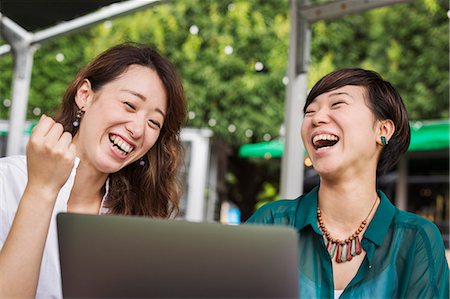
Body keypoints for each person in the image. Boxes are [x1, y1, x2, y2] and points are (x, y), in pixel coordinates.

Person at [0, 43, 187, 298]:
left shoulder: (138, 217)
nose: (138, 129)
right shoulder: (7, 181)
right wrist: (41, 188)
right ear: (85, 95)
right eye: (130, 105)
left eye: (154, 122)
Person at [247, 68, 449, 298]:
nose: (317, 118)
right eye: (310, 111)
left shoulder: (416, 241)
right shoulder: (271, 223)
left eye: (337, 104)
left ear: (382, 130)